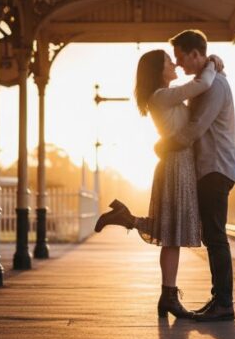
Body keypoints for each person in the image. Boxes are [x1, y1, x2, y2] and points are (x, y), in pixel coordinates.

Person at [94, 48, 224, 319]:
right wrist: (212, 61)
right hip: (177, 164)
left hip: (179, 162)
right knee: (172, 233)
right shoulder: (162, 96)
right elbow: (202, 84)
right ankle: (168, 296)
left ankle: (127, 221)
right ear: (158, 70)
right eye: (169, 61)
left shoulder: (165, 96)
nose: (175, 63)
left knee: (171, 232)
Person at [155, 30, 235, 322]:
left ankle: (224, 303)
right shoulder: (206, 82)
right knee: (212, 236)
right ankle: (219, 299)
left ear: (195, 54)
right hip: (210, 168)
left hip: (215, 167)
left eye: (181, 58)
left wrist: (164, 145)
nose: (179, 65)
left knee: (216, 237)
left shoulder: (215, 87)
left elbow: (196, 127)